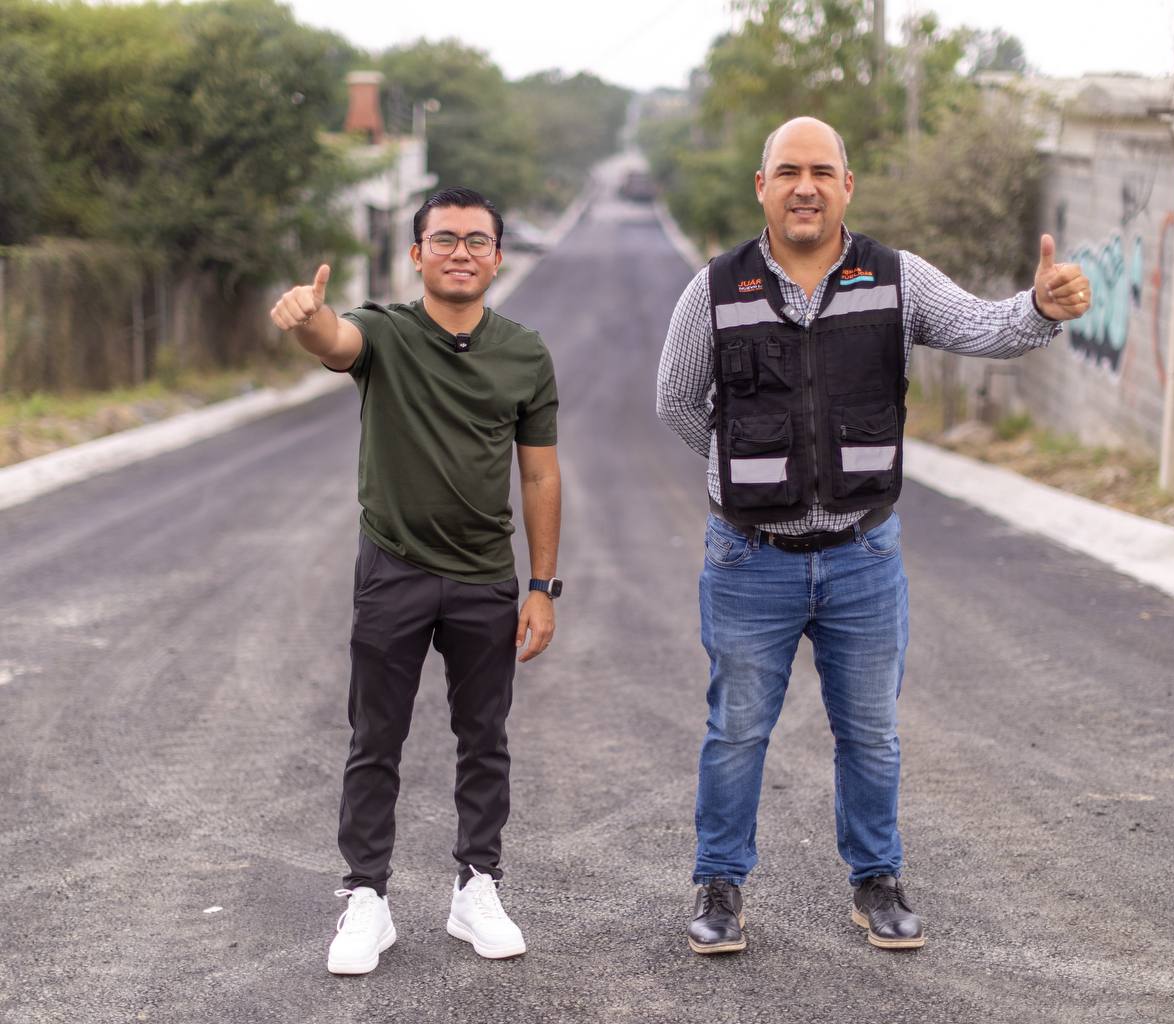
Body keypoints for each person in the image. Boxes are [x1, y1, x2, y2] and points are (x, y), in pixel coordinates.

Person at [656, 117, 1090, 954]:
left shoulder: (896, 278)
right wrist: (747, 467)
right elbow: (676, 401)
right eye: (789, 171)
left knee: (870, 732)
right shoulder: (711, 288)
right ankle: (719, 886)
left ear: (847, 186)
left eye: (823, 170)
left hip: (863, 552)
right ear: (763, 185)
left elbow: (982, 327)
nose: (806, 186)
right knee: (737, 728)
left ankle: (877, 881)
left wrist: (1038, 306)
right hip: (750, 557)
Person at [270, 186, 563, 973]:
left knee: (484, 741)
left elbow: (539, 476)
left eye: (476, 240)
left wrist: (543, 585)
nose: (460, 251)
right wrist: (307, 319)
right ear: (417, 254)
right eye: (444, 239)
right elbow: (337, 344)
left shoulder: (525, 353)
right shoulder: (386, 331)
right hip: (393, 570)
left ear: (497, 257)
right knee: (376, 740)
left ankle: (478, 887)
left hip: (485, 578)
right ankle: (366, 898)